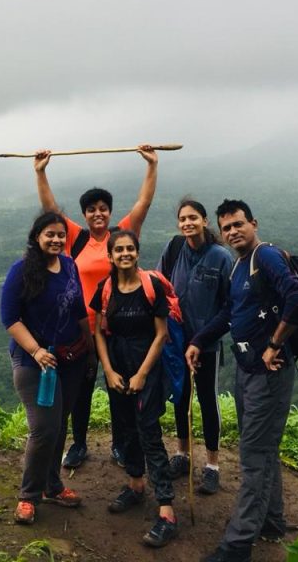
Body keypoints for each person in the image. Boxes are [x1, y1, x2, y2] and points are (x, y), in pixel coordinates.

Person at [185, 199, 298, 562]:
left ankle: (237, 545)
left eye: (238, 224)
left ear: (253, 224)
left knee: (253, 455)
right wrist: (199, 340)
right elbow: (231, 312)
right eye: (226, 228)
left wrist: (275, 344)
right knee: (262, 447)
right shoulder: (240, 265)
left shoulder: (265, 256)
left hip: (267, 374)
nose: (232, 232)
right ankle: (272, 521)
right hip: (248, 370)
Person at [34, 144, 158, 469]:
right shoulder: (76, 238)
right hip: (83, 330)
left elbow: (143, 205)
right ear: (85, 215)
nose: (98, 213)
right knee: (80, 389)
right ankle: (79, 444)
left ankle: (121, 444)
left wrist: (151, 166)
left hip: (117, 328)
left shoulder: (121, 237)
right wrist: (41, 172)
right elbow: (50, 209)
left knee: (119, 388)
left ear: (110, 212)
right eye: (91, 209)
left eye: (103, 208)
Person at [0, 212, 93, 525]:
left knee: (59, 423)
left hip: (70, 358)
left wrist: (91, 349)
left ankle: (52, 486)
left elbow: (79, 310)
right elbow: (10, 318)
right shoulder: (22, 270)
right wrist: (36, 351)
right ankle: (28, 496)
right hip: (33, 361)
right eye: (49, 234)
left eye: (60, 235)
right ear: (37, 236)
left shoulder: (69, 265)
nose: (55, 239)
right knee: (43, 429)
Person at [93, 229, 178, 548]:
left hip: (147, 368)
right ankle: (135, 483)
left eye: (130, 248)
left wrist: (142, 374)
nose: (125, 253)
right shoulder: (105, 289)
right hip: (117, 367)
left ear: (137, 253)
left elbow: (161, 334)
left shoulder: (150, 286)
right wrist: (109, 371)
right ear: (111, 256)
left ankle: (167, 509)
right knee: (125, 427)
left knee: (148, 432)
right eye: (119, 250)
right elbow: (99, 332)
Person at [157, 198, 233, 494]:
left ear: (204, 221)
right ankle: (182, 454)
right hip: (176, 341)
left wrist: (201, 340)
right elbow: (159, 287)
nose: (187, 223)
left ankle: (212, 465)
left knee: (207, 399)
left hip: (206, 345)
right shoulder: (175, 248)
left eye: (193, 218)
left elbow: (229, 307)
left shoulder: (220, 257)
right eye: (183, 219)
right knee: (181, 397)